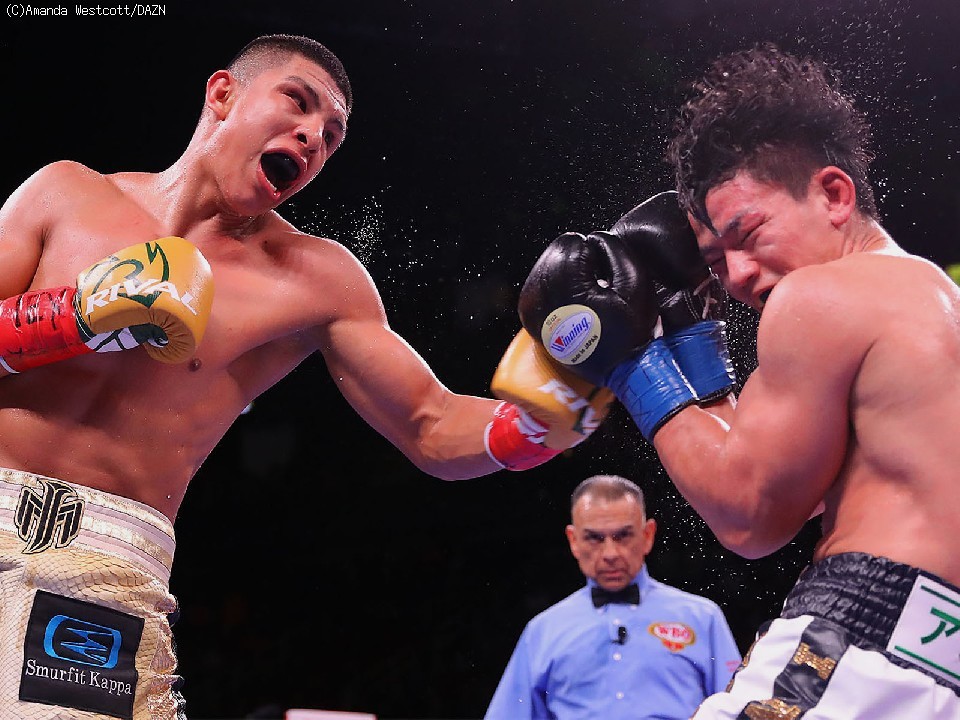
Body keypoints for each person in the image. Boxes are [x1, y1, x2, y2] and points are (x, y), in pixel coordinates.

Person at [0, 34, 613, 719]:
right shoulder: (65, 193)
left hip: (102, 561)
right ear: (223, 94)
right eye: (298, 101)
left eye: (332, 135)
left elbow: (430, 424)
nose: (314, 135)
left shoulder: (314, 280)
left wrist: (535, 424)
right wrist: (72, 316)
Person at [518, 44, 960, 718]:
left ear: (833, 194)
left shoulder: (821, 295)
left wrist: (632, 363)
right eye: (717, 259)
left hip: (858, 644)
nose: (738, 275)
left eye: (747, 234)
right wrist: (693, 343)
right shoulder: (928, 302)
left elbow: (750, 515)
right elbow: (786, 484)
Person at [485, 474, 741, 720]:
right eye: (594, 538)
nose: (610, 553)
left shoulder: (702, 618)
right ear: (574, 541)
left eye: (623, 536)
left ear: (647, 535)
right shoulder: (542, 631)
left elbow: (737, 710)